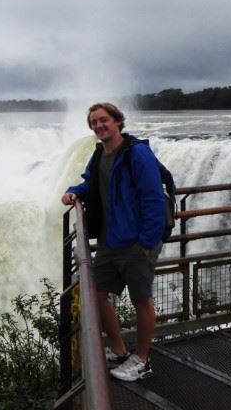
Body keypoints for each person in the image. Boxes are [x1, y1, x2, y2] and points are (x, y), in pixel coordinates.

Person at [61, 102, 167, 382]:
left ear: (118, 121)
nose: (99, 126)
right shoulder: (100, 155)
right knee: (97, 293)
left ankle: (142, 360)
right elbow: (89, 184)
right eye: (94, 122)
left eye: (103, 120)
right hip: (111, 240)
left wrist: (146, 243)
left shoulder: (137, 153)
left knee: (141, 300)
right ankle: (120, 350)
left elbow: (154, 199)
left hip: (136, 242)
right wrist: (73, 192)